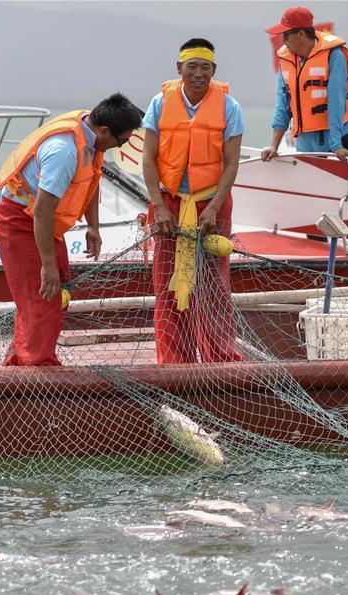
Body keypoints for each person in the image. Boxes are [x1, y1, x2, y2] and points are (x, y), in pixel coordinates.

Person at [0, 94, 140, 367]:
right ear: (104, 131)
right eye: (121, 141)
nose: (119, 147)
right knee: (43, 296)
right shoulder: (65, 151)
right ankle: (37, 370)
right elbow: (42, 211)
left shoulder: (92, 135)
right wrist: (47, 266)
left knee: (59, 291)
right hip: (21, 221)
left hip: (44, 224)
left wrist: (93, 226)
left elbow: (91, 179)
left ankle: (22, 360)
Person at [140, 38, 245, 364]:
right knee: (167, 283)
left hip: (212, 202)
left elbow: (231, 164)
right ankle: (174, 360)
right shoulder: (159, 103)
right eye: (192, 67)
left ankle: (221, 357)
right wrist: (158, 206)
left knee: (213, 283)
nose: (199, 74)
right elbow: (148, 158)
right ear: (179, 69)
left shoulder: (230, 107)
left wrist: (213, 208)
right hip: (169, 203)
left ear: (214, 71)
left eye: (206, 68)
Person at [262, 6, 348, 254]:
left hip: (343, 129)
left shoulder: (336, 55)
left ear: (300, 34)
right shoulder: (287, 58)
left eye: (285, 35)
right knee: (314, 189)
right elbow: (282, 105)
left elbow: (337, 101)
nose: (282, 40)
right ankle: (315, 244)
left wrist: (336, 144)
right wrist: (274, 145)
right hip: (307, 137)